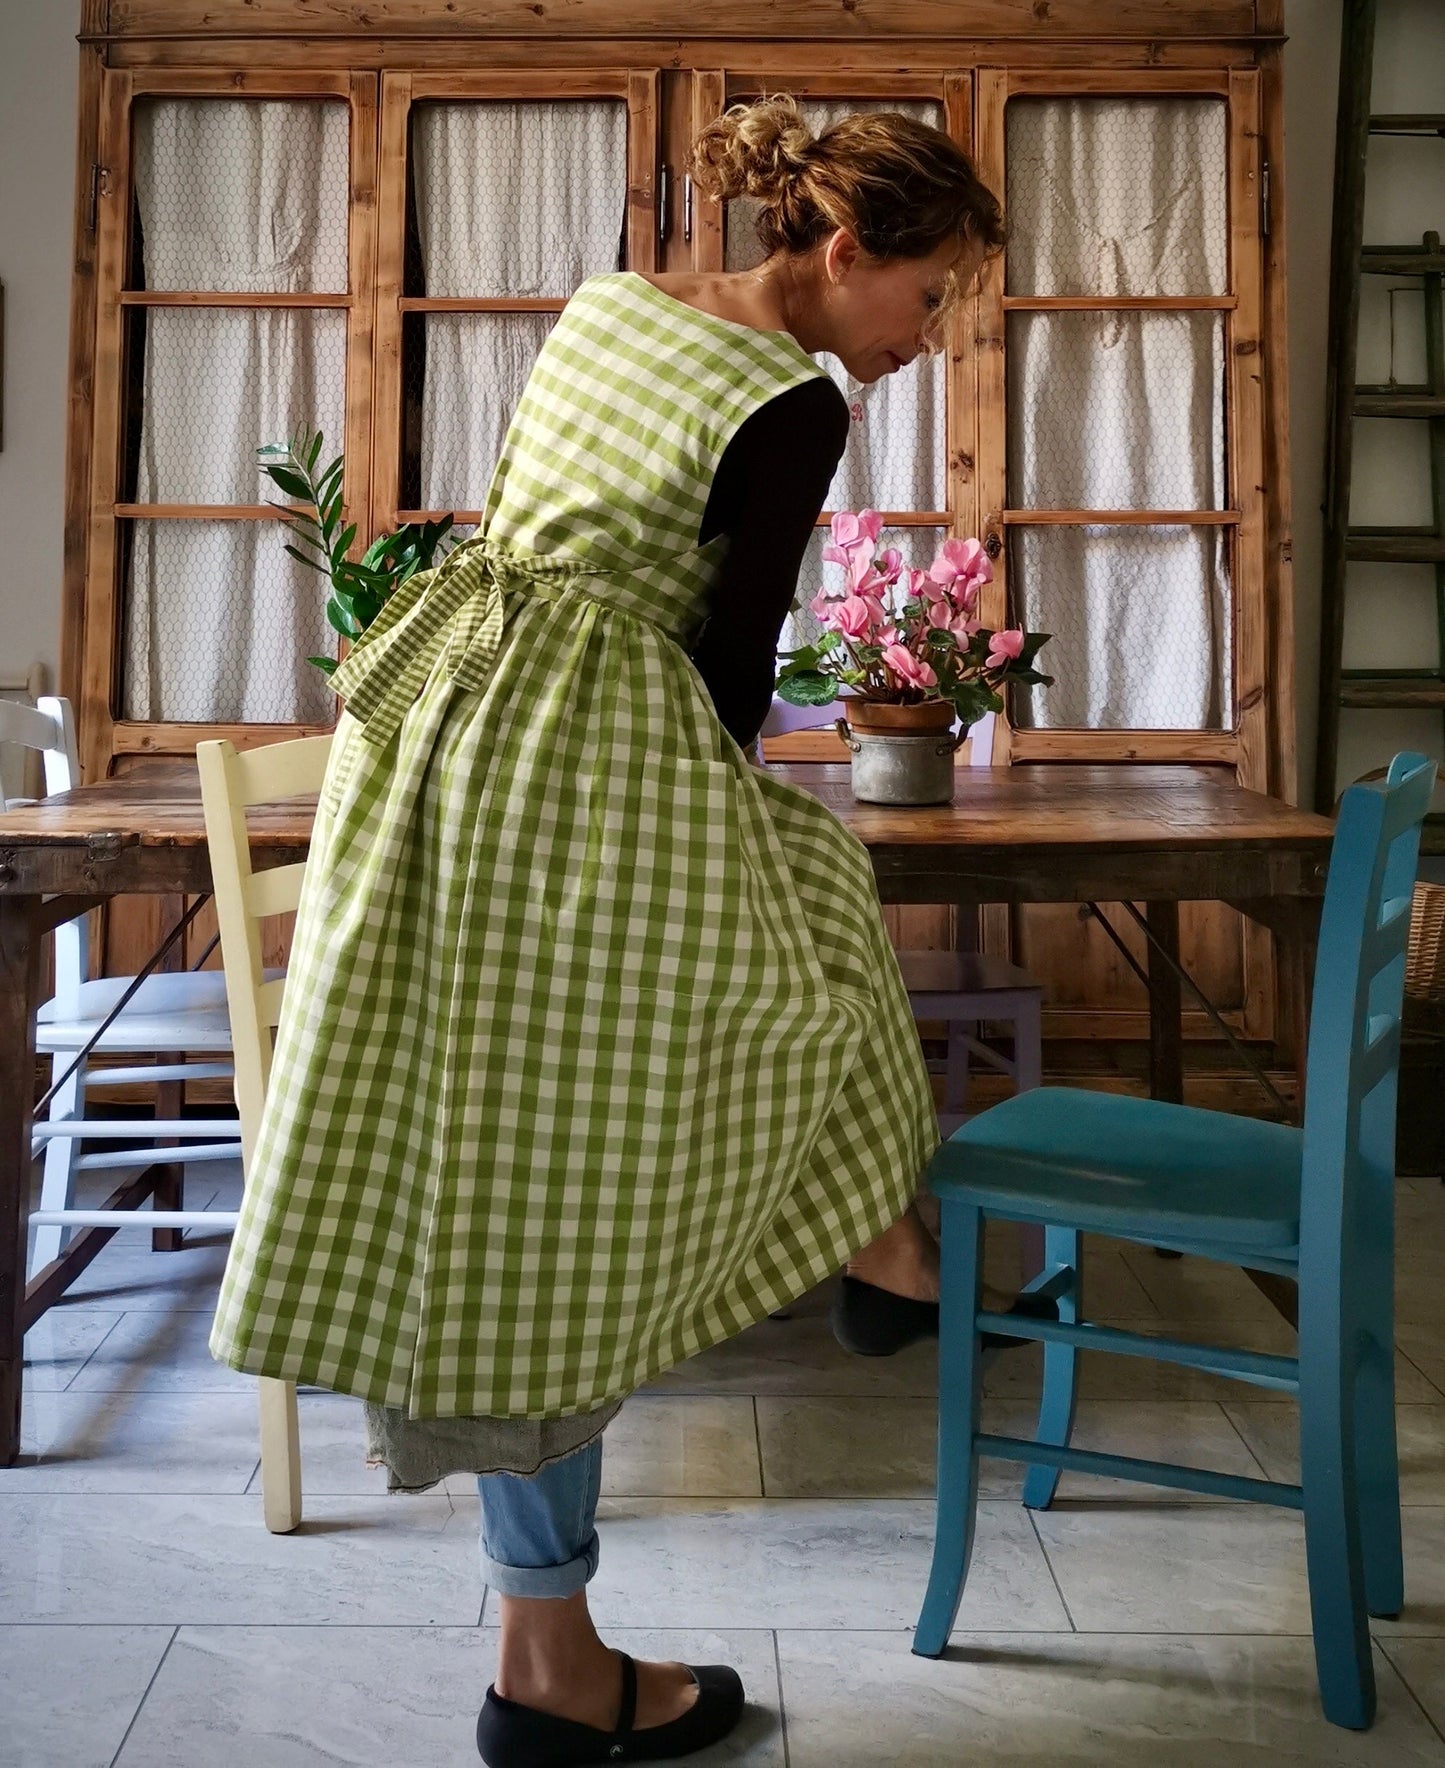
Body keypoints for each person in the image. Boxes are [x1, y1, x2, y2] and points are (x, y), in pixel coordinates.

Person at [209, 94, 1007, 1767]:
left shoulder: (612, 297)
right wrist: (709, 834)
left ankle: (555, 1648)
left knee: (509, 1187)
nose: (926, 341)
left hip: (438, 734)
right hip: (582, 763)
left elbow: (547, 521)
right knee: (792, 944)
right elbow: (724, 674)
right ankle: (877, 1239)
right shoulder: (791, 401)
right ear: (844, 251)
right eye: (925, 297)